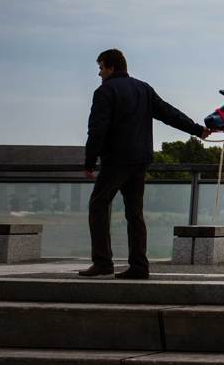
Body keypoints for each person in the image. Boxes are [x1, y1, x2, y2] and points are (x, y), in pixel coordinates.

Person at [79, 49, 210, 280]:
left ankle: (102, 262)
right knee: (135, 213)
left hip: (116, 160)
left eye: (100, 68)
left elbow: (97, 130)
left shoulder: (105, 91)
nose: (99, 73)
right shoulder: (143, 89)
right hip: (140, 160)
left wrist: (89, 162)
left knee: (98, 206)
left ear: (110, 67)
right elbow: (169, 113)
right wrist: (197, 130)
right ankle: (139, 266)